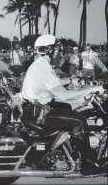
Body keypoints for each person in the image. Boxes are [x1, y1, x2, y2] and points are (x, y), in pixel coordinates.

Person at [21, 34, 105, 175]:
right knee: (79, 119)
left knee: (68, 108)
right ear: (49, 50)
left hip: (35, 109)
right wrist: (92, 89)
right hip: (40, 114)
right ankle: (87, 163)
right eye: (57, 49)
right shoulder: (43, 68)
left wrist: (72, 80)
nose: (60, 53)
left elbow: (54, 83)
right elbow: (63, 95)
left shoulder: (41, 65)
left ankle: (69, 150)